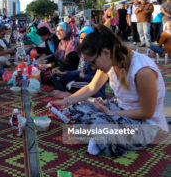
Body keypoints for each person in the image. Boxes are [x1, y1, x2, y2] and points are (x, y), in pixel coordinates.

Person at [52, 24, 168, 157]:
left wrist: (110, 113)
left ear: (106, 52)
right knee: (76, 109)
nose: (93, 67)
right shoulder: (111, 61)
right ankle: (98, 136)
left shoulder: (143, 71)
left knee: (95, 124)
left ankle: (101, 138)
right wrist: (65, 101)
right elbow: (91, 87)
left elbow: (147, 112)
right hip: (119, 110)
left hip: (145, 126)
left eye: (93, 63)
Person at [51, 26, 106, 99]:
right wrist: (63, 73)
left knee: (70, 84)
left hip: (93, 86)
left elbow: (100, 78)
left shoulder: (97, 54)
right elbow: (79, 71)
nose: (83, 41)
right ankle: (70, 92)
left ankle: (68, 94)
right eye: (81, 38)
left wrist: (84, 76)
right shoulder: (83, 53)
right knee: (59, 77)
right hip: (83, 81)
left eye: (86, 38)